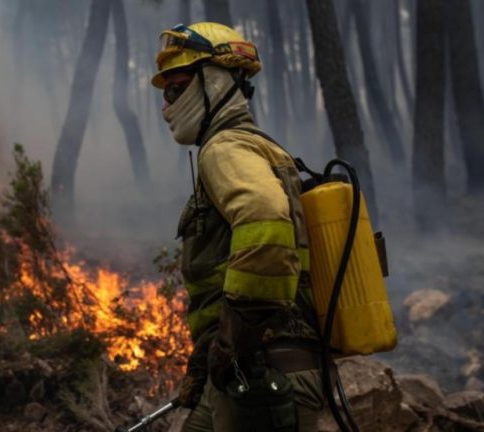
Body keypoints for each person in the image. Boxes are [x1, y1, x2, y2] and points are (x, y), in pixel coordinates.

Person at [151, 23, 325, 431]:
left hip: (263, 372)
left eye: (176, 88)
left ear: (214, 81)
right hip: (248, 370)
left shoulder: (225, 147)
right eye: (164, 93)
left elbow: (264, 223)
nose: (167, 106)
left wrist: (232, 340)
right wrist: (209, 354)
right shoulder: (255, 146)